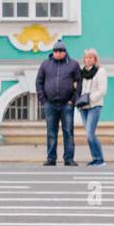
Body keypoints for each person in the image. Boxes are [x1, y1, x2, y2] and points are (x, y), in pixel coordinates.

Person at [36, 39, 81, 167]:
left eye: (61, 50)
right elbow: (39, 82)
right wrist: (43, 99)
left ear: (65, 52)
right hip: (50, 104)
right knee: (51, 132)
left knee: (68, 132)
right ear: (53, 52)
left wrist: (73, 100)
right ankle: (51, 158)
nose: (58, 53)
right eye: (56, 50)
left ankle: (69, 159)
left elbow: (79, 83)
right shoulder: (45, 64)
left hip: (67, 104)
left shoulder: (73, 64)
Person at [77, 48, 107, 167]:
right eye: (86, 57)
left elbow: (102, 91)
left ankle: (100, 159)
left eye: (90, 57)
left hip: (94, 105)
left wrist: (89, 98)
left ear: (95, 59)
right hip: (83, 107)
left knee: (90, 133)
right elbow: (79, 88)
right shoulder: (82, 71)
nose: (88, 59)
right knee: (89, 134)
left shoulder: (100, 71)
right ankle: (95, 158)